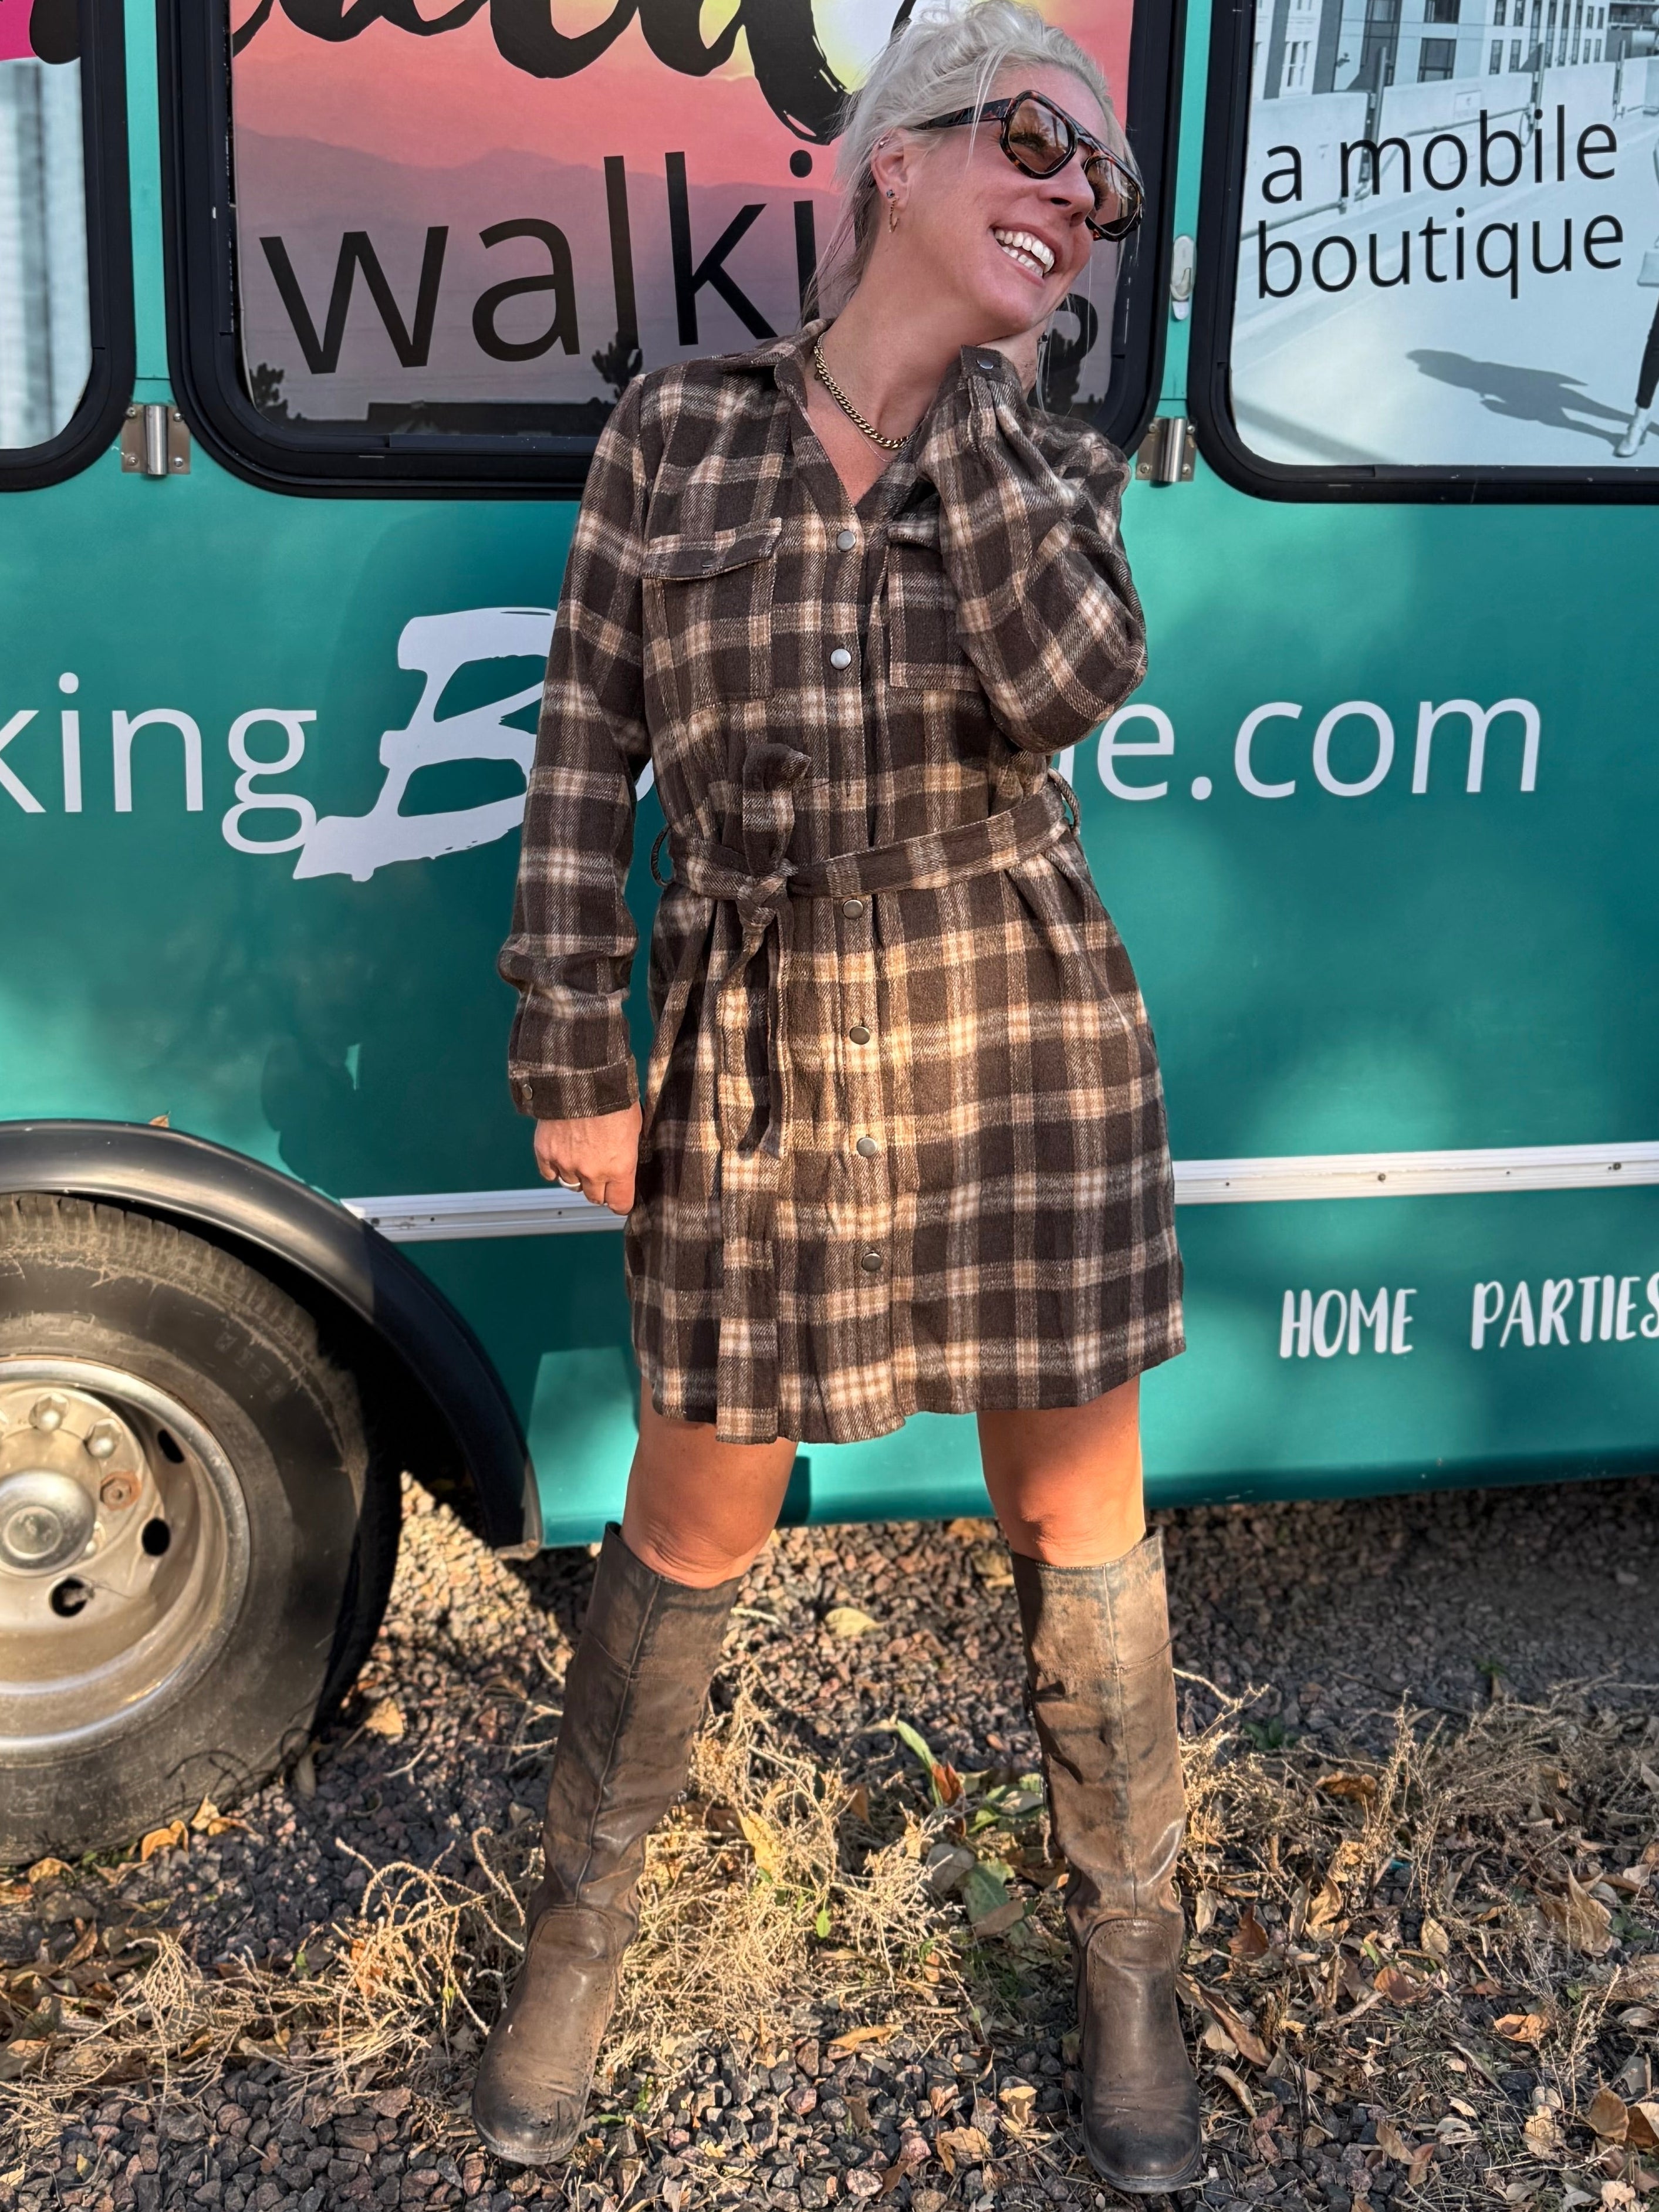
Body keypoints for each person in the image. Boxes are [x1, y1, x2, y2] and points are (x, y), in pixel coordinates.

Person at [478, 2, 1197, 2191]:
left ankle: (1129, 1961)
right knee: (699, 1505)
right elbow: (584, 752)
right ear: (890, 157)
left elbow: (1072, 679)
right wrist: (571, 1045)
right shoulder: (671, 437)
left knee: (1074, 1513)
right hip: (762, 1026)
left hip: (1017, 1023)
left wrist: (960, 400)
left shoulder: (1050, 461)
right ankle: (579, 1935)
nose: (1076, 204)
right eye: (1035, 147)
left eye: (1103, 189)